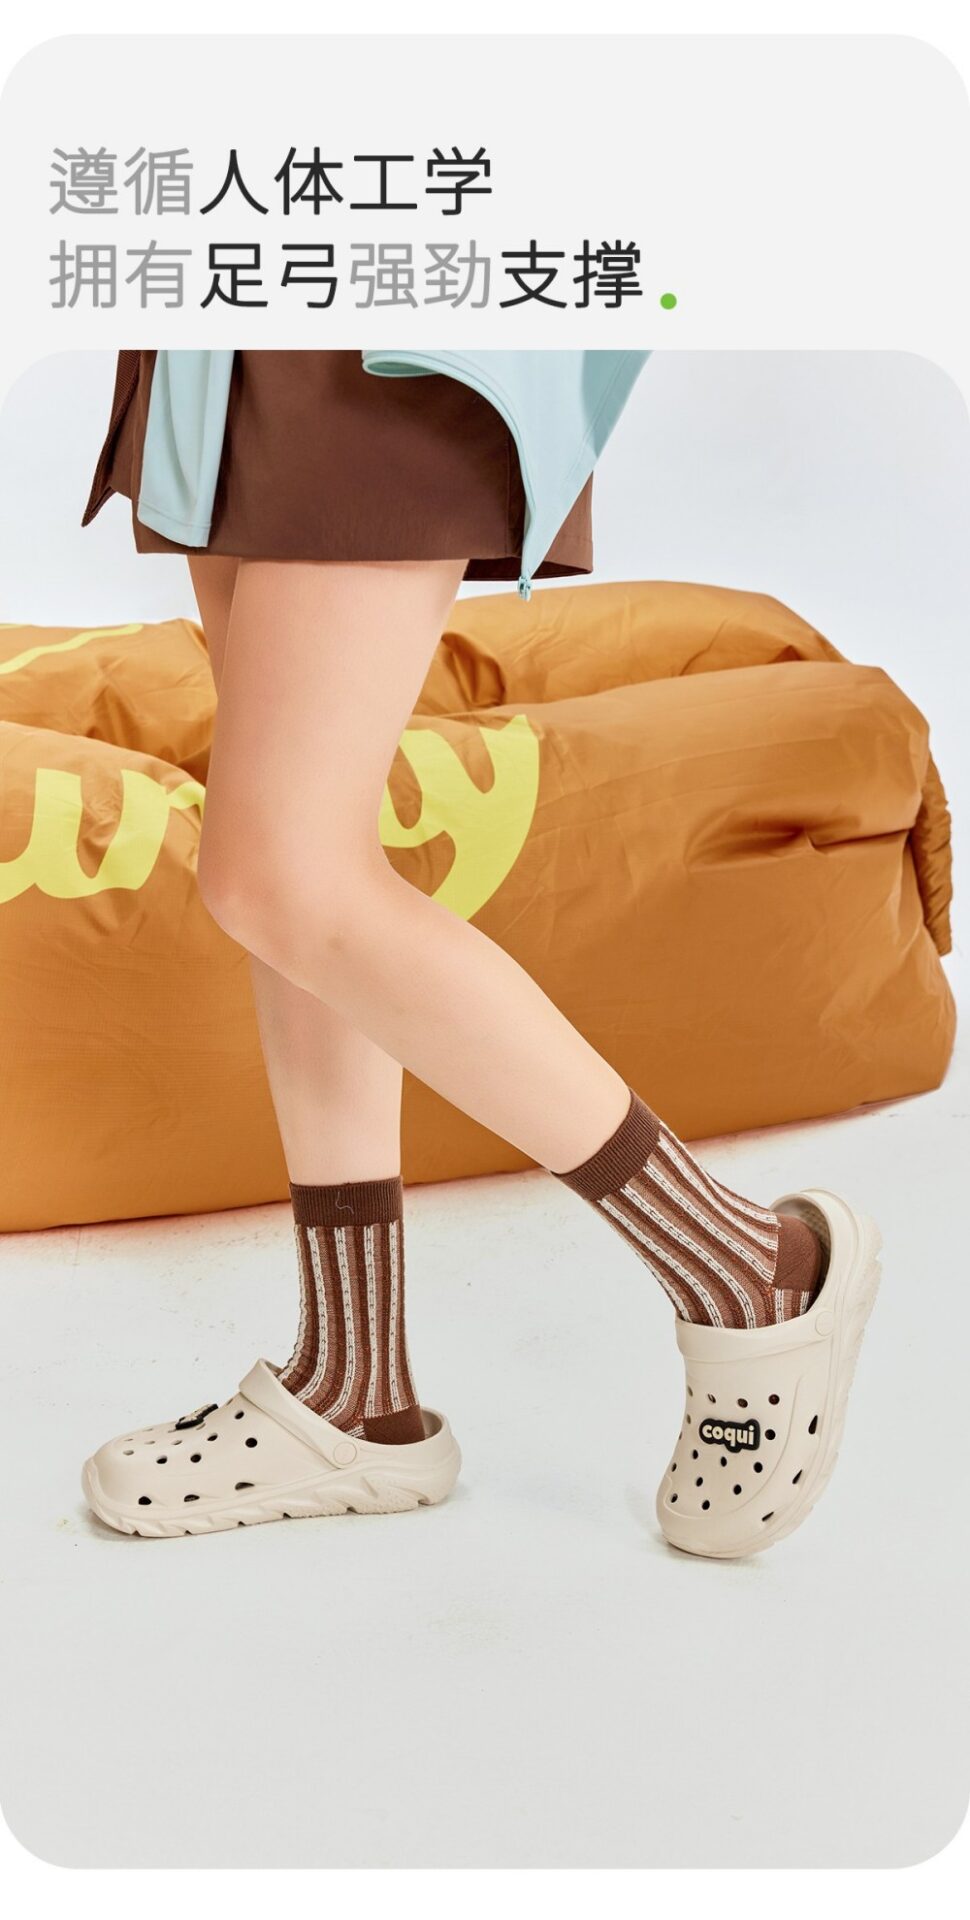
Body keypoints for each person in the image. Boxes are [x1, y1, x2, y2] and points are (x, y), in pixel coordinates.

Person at [78, 349, 880, 1557]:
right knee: (290, 854)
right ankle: (356, 1393)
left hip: (384, 323)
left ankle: (741, 1263)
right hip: (242, 315)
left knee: (281, 871)